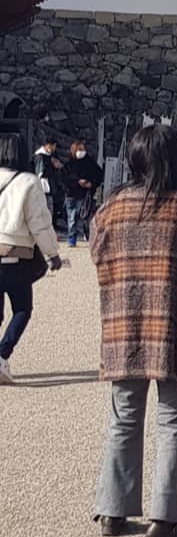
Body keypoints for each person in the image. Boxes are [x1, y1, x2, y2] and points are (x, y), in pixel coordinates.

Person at [91, 124, 177, 537]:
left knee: (124, 417)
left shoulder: (112, 207)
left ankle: (113, 510)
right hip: (174, 324)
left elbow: (97, 252)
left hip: (122, 325)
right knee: (172, 421)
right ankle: (165, 520)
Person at [0, 134, 66, 382]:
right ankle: (2, 353)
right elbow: (39, 223)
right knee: (22, 309)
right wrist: (52, 254)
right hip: (15, 257)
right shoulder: (28, 182)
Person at [61, 139, 103, 247]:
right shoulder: (69, 165)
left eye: (83, 149)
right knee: (72, 217)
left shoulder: (90, 163)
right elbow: (64, 179)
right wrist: (77, 182)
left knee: (86, 218)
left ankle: (88, 236)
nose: (82, 151)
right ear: (74, 150)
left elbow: (99, 175)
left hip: (85, 195)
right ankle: (72, 238)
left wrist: (92, 184)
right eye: (79, 149)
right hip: (71, 194)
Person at [33, 136, 62, 216]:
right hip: (42, 186)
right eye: (54, 146)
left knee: (49, 209)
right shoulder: (40, 156)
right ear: (49, 145)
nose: (54, 148)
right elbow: (39, 173)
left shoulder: (52, 155)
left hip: (50, 186)